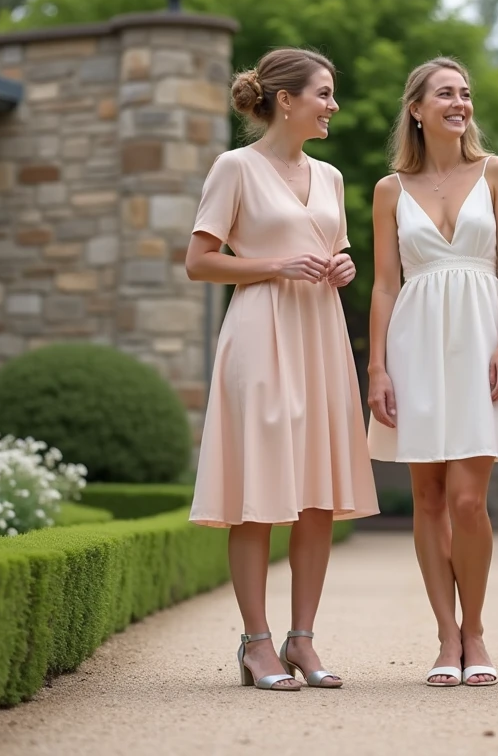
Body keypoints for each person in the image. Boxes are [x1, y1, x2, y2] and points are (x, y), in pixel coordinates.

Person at [185, 47, 378, 692]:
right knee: (259, 493)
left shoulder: (330, 178)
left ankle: (302, 639)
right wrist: (274, 265)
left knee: (317, 492)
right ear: (285, 101)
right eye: (323, 93)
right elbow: (200, 261)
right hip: (260, 331)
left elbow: (336, 247)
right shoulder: (234, 167)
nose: (333, 105)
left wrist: (344, 265)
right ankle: (257, 643)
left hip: (319, 333)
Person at [367, 57, 498, 687]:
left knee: (468, 498)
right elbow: (383, 285)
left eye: (465, 93)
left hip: (482, 338)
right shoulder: (389, 190)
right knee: (427, 498)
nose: (459, 102)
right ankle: (445, 636)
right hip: (415, 343)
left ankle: (477, 631)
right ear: (417, 108)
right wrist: (377, 367)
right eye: (445, 94)